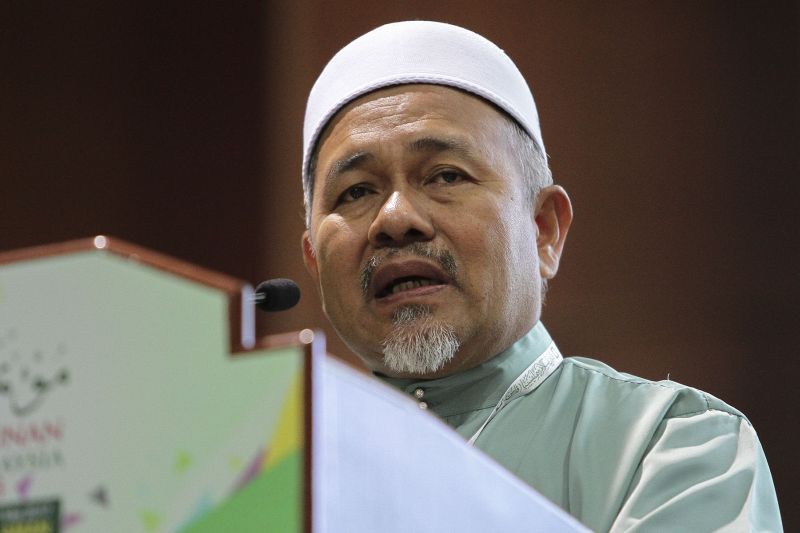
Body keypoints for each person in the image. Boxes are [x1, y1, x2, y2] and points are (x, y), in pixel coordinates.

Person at [299, 21, 782, 532]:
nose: (394, 219)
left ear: (543, 230)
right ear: (314, 261)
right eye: (355, 192)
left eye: (445, 176)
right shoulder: (268, 465)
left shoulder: (672, 447)